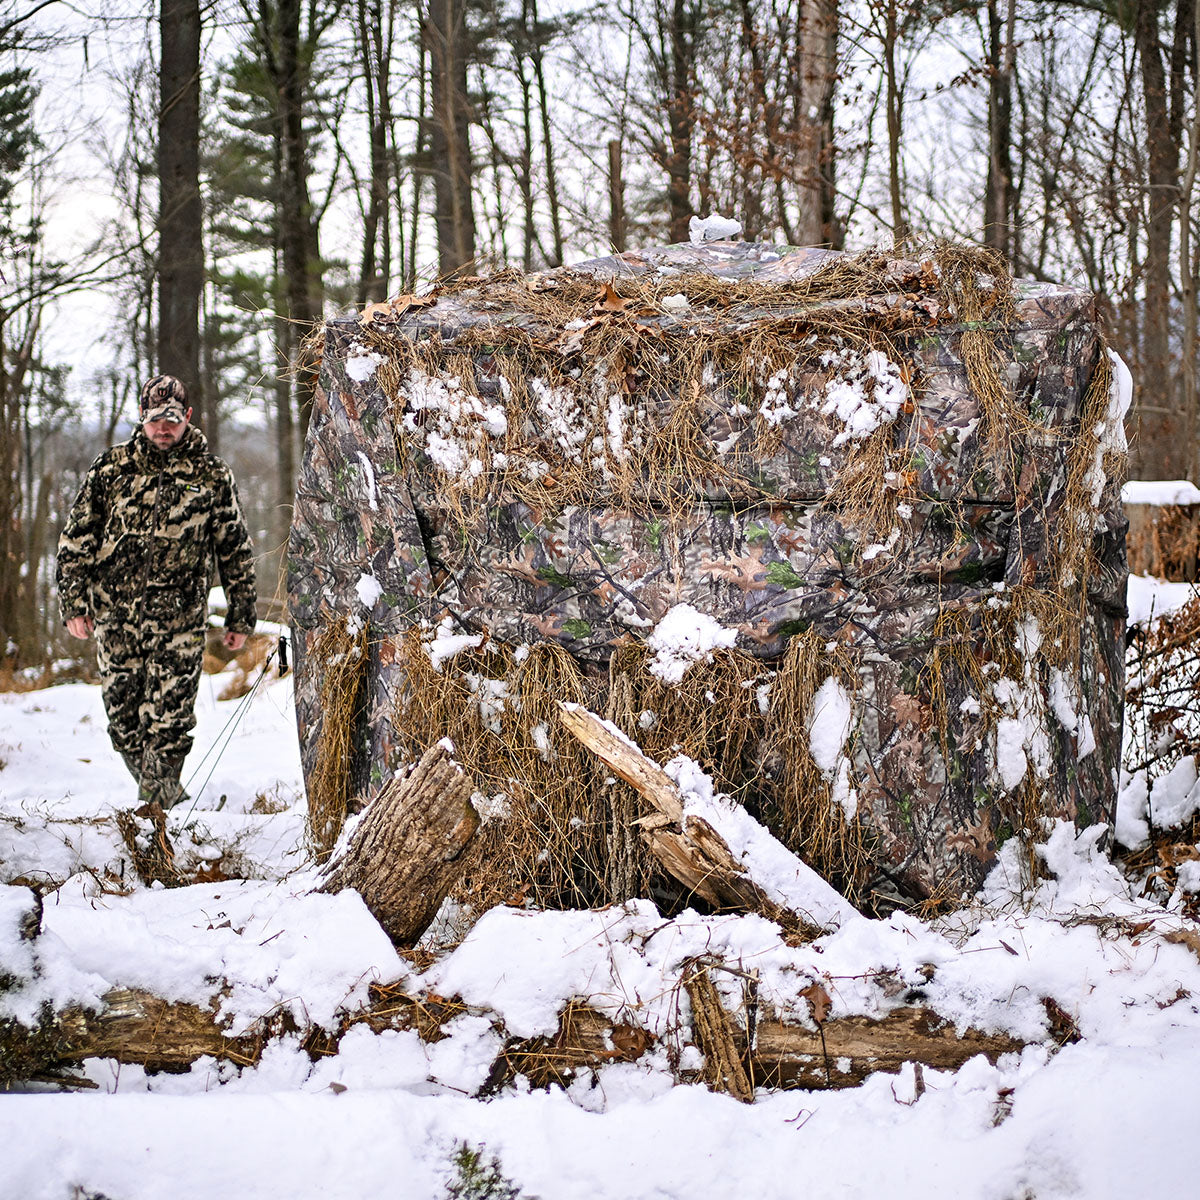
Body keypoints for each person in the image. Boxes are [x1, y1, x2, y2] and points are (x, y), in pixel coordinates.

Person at [56, 375, 258, 809]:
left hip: (180, 623)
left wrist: (241, 615)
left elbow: (235, 549)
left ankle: (154, 817)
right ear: (141, 418)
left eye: (171, 420)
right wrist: (74, 603)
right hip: (116, 620)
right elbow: (76, 540)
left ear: (186, 417)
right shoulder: (110, 469)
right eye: (153, 420)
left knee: (169, 724)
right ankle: (168, 801)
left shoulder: (210, 474)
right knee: (124, 725)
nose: (162, 429)